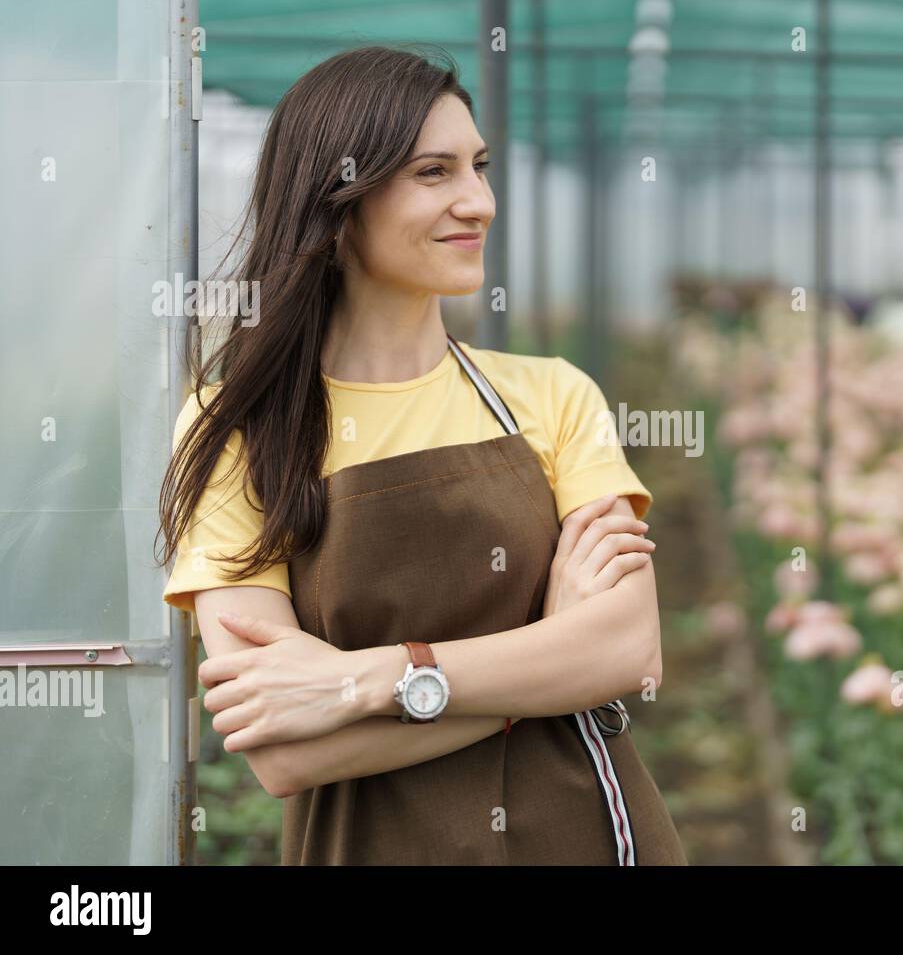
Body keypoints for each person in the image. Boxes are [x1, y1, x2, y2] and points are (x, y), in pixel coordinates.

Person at [155, 46, 687, 866]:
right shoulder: (237, 430)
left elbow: (626, 652)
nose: (478, 201)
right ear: (337, 204)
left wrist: (369, 683)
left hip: (590, 835)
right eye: (433, 173)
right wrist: (548, 658)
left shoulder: (550, 395)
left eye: (479, 166)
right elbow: (285, 753)